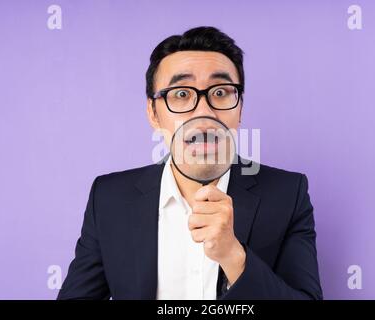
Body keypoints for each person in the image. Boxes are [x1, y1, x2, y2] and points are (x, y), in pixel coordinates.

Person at [57, 26, 322, 300]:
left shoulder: (288, 194)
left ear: (240, 107)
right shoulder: (109, 198)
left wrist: (234, 257)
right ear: (153, 113)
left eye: (220, 92)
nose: (204, 112)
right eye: (182, 94)